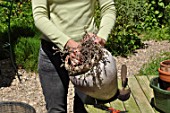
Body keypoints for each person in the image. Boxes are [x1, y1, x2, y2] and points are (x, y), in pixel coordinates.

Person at [31, 0, 116, 113]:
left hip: (88, 54)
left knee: (84, 109)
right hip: (53, 54)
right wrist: (68, 44)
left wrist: (101, 37)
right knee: (55, 110)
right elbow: (39, 16)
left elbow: (108, 8)